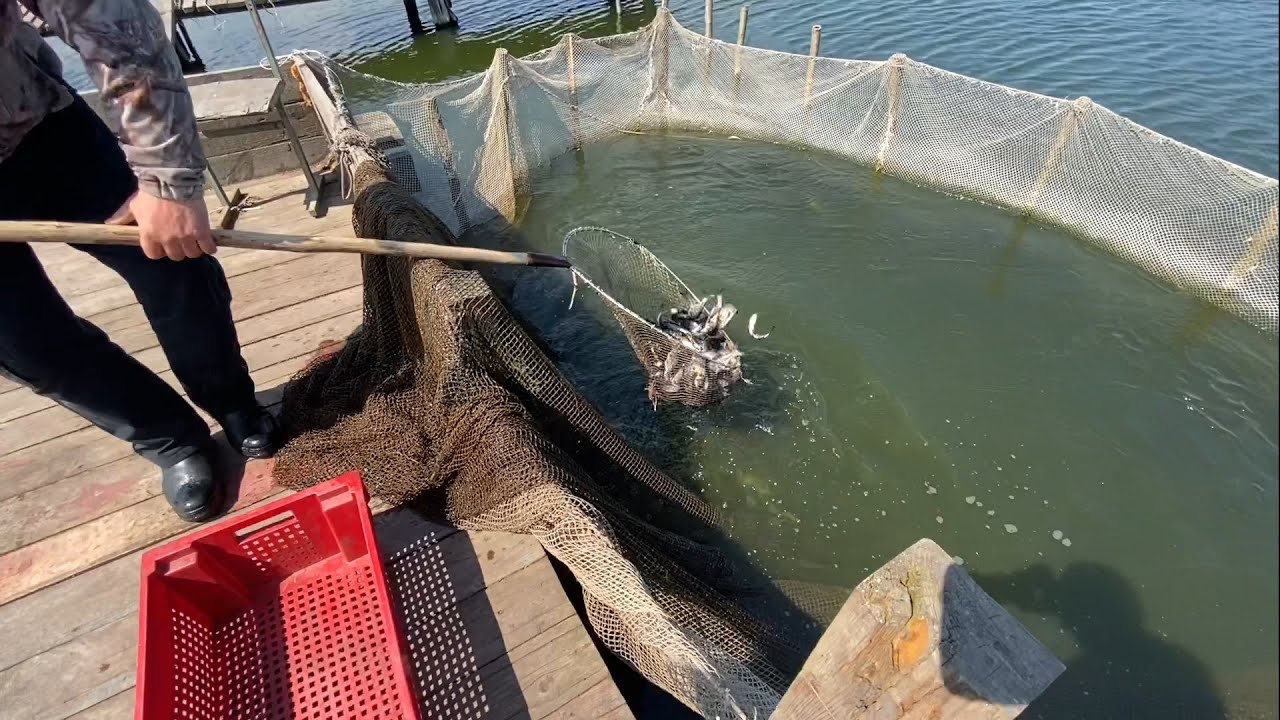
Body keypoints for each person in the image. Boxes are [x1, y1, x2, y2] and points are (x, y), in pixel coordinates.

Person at [0, 0, 277, 522]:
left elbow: (108, 16)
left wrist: (168, 182)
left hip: (40, 129)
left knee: (174, 267)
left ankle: (233, 401)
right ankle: (169, 438)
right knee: (29, 348)